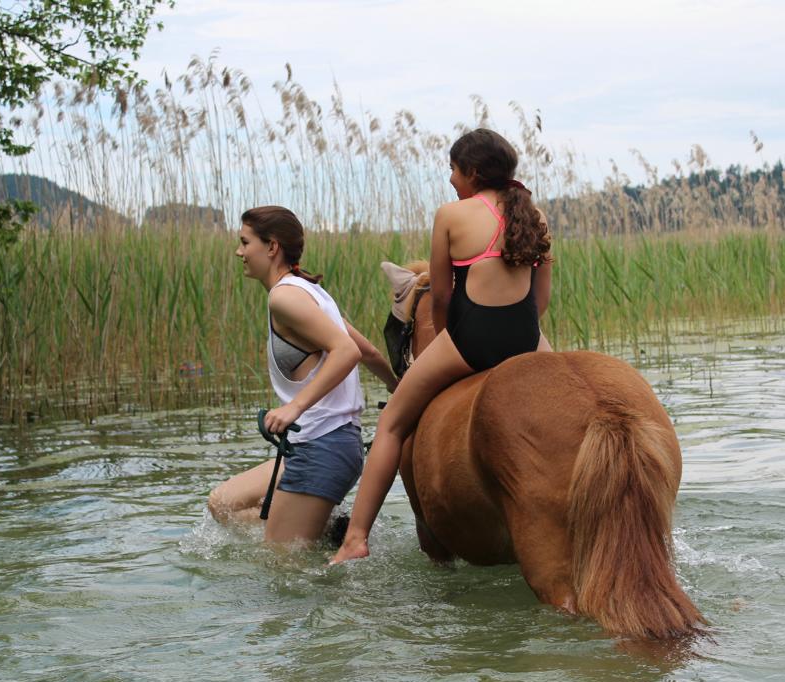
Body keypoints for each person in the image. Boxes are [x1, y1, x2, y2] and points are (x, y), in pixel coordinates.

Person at [330, 128, 553, 564]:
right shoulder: (536, 215)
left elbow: (443, 298)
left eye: (453, 169)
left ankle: (355, 539)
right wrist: (521, 335)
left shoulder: (450, 214)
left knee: (392, 424)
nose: (450, 179)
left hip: (472, 339)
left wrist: (453, 339)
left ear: (471, 171)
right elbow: (539, 301)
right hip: (526, 338)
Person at [207, 205, 398, 544]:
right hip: (317, 443)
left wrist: (294, 408)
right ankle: (325, 532)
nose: (239, 251)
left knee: (283, 569)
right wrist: (398, 388)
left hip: (324, 446)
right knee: (223, 503)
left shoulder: (285, 297)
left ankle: (315, 535)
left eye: (245, 242)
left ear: (272, 247)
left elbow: (348, 351)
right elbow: (369, 351)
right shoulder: (309, 292)